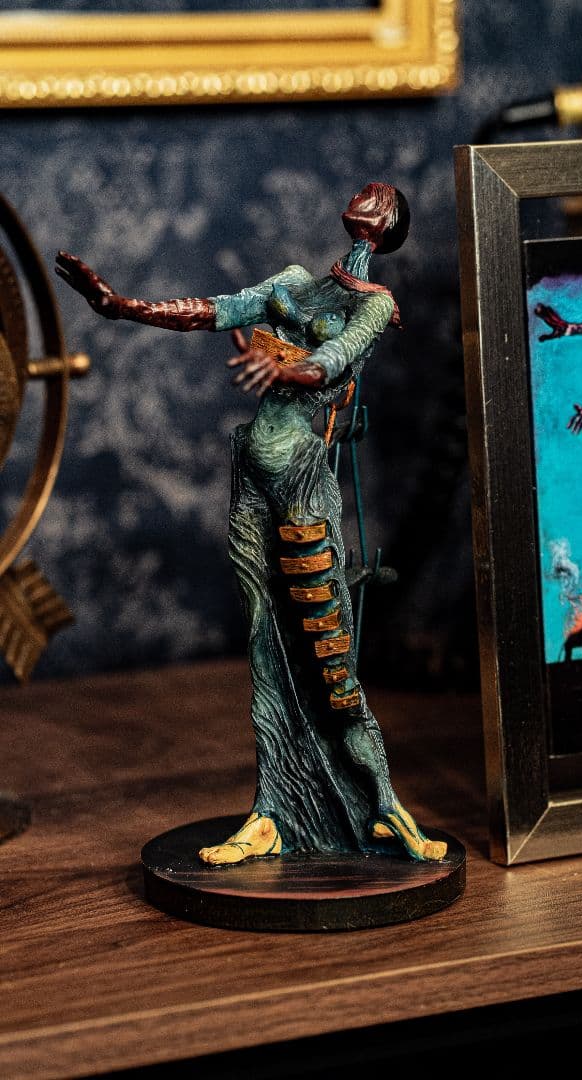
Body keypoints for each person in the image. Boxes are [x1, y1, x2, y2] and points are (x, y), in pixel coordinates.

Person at [56, 182, 447, 866]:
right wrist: (121, 307)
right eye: (366, 189)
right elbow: (214, 310)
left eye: (379, 196)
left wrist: (283, 364)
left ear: (387, 223)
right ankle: (272, 810)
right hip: (253, 479)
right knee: (264, 642)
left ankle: (384, 807)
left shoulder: (375, 306)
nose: (367, 195)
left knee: (331, 667)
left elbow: (330, 362)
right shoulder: (293, 282)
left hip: (300, 482)